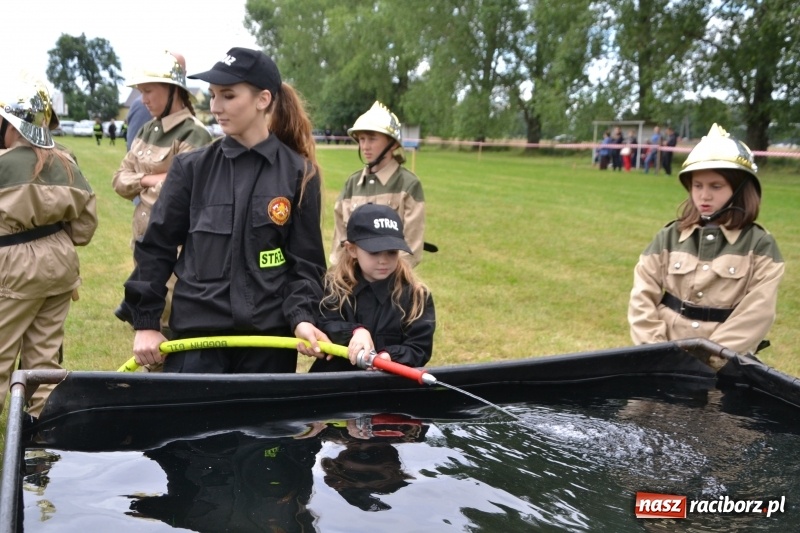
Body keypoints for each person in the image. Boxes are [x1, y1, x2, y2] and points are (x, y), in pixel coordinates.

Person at [124, 47, 328, 373]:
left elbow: (306, 265)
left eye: (228, 96)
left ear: (263, 99)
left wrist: (302, 318)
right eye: (213, 95)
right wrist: (146, 321)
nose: (216, 107)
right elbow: (156, 248)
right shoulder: (191, 168)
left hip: (267, 344)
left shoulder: (299, 174)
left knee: (263, 426)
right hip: (196, 339)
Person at [628, 124, 784, 370]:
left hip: (725, 367)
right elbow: (642, 296)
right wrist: (656, 352)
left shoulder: (760, 245)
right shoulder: (669, 237)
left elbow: (757, 313)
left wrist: (706, 361)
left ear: (741, 188)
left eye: (716, 186)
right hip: (661, 361)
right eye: (697, 186)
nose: (704, 196)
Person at [0, 78, 98, 417]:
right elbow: (85, 228)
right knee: (45, 361)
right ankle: (43, 443)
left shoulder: (3, 164)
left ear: (9, 123)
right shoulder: (67, 162)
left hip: (12, 266)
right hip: (61, 265)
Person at [112, 51, 213, 340]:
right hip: (142, 241)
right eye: (140, 92)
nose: (142, 99)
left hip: (173, 247)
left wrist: (141, 183)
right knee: (149, 316)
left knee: (167, 320)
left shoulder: (195, 133)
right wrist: (151, 178)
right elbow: (119, 180)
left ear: (173, 90)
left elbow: (180, 193)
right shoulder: (148, 129)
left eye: (148, 90)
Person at [310, 203, 434, 372]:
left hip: (386, 388)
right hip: (336, 385)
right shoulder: (334, 287)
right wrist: (355, 331)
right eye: (374, 252)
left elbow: (419, 347)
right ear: (352, 249)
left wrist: (389, 358)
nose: (383, 260)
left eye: (391, 252)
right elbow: (325, 323)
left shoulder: (416, 296)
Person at [331, 101, 426, 266]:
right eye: (361, 139)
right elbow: (340, 240)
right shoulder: (352, 184)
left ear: (393, 143)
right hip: (353, 283)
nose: (365, 147)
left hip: (392, 282)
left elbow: (412, 247)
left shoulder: (409, 184)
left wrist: (387, 279)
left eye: (372, 139)